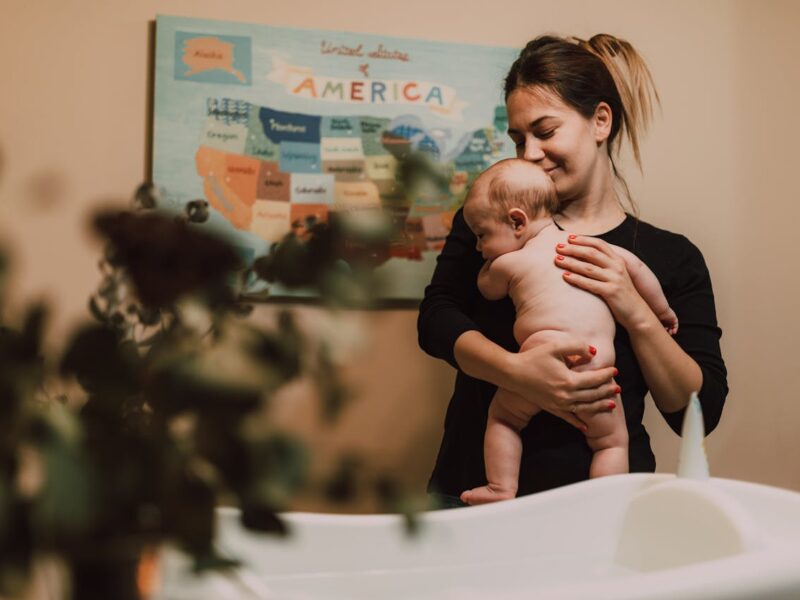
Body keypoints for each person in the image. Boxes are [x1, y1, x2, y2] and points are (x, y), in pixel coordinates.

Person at [417, 34, 727, 507]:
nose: (528, 153)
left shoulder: (670, 256)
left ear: (600, 121)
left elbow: (697, 411)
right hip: (476, 494)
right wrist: (518, 373)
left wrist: (635, 309)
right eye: (518, 138)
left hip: (605, 508)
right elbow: (436, 320)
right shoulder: (496, 224)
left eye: (545, 131)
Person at [458, 158, 678, 504]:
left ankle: (501, 488)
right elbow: (637, 268)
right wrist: (662, 312)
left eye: (482, 235)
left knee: (503, 418)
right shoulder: (593, 248)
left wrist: (488, 266)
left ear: (518, 221)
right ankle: (603, 502)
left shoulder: (510, 263)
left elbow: (488, 288)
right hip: (598, 370)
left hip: (539, 362)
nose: (477, 246)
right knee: (611, 443)